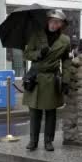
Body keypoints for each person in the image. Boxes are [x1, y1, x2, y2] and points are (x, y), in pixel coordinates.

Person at [22, 9, 72, 151]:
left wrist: (66, 80)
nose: (54, 24)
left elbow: (66, 61)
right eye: (52, 21)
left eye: (58, 22)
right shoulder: (37, 35)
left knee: (50, 112)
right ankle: (33, 141)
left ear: (61, 25)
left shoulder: (65, 41)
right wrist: (38, 53)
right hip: (36, 77)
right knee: (34, 112)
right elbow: (27, 54)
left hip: (51, 78)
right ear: (48, 21)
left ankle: (48, 141)